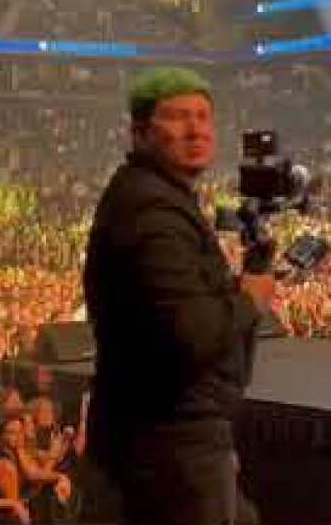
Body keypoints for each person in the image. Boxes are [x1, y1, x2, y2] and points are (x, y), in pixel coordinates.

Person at [83, 67, 270, 525]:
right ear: (141, 131)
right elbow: (193, 336)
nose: (196, 130)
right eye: (179, 117)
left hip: (174, 438)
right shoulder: (151, 208)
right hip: (171, 443)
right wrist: (250, 299)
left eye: (204, 117)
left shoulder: (158, 195)